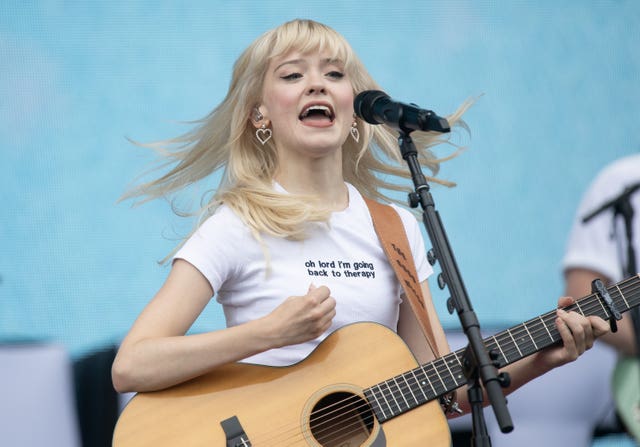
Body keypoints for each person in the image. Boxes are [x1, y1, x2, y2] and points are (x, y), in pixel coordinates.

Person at [111, 18, 608, 441]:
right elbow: (132, 365)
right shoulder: (238, 223)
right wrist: (268, 334)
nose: (318, 84)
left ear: (353, 110)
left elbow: (446, 390)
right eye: (292, 74)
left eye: (334, 73)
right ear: (258, 113)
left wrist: (545, 357)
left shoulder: (395, 226)